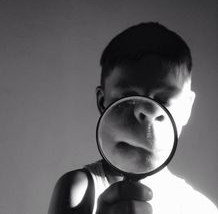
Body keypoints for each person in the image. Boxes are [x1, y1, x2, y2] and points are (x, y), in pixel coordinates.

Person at [48, 22, 218, 214]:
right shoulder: (81, 189)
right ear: (103, 102)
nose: (146, 112)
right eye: (127, 97)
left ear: (187, 108)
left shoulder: (201, 209)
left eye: (163, 100)